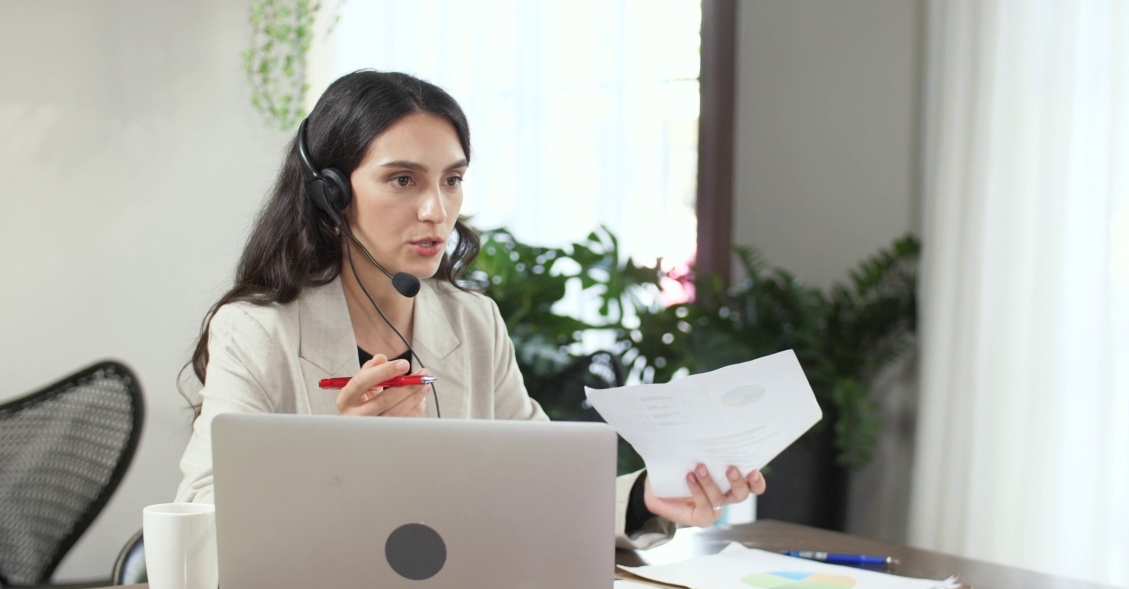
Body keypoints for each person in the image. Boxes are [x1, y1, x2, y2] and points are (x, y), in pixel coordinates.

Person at [175, 69, 766, 549]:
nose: (436, 209)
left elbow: (537, 482)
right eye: (403, 180)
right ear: (331, 194)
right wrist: (339, 456)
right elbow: (203, 519)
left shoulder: (472, 322)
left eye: (452, 179)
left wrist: (646, 497)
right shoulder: (256, 332)